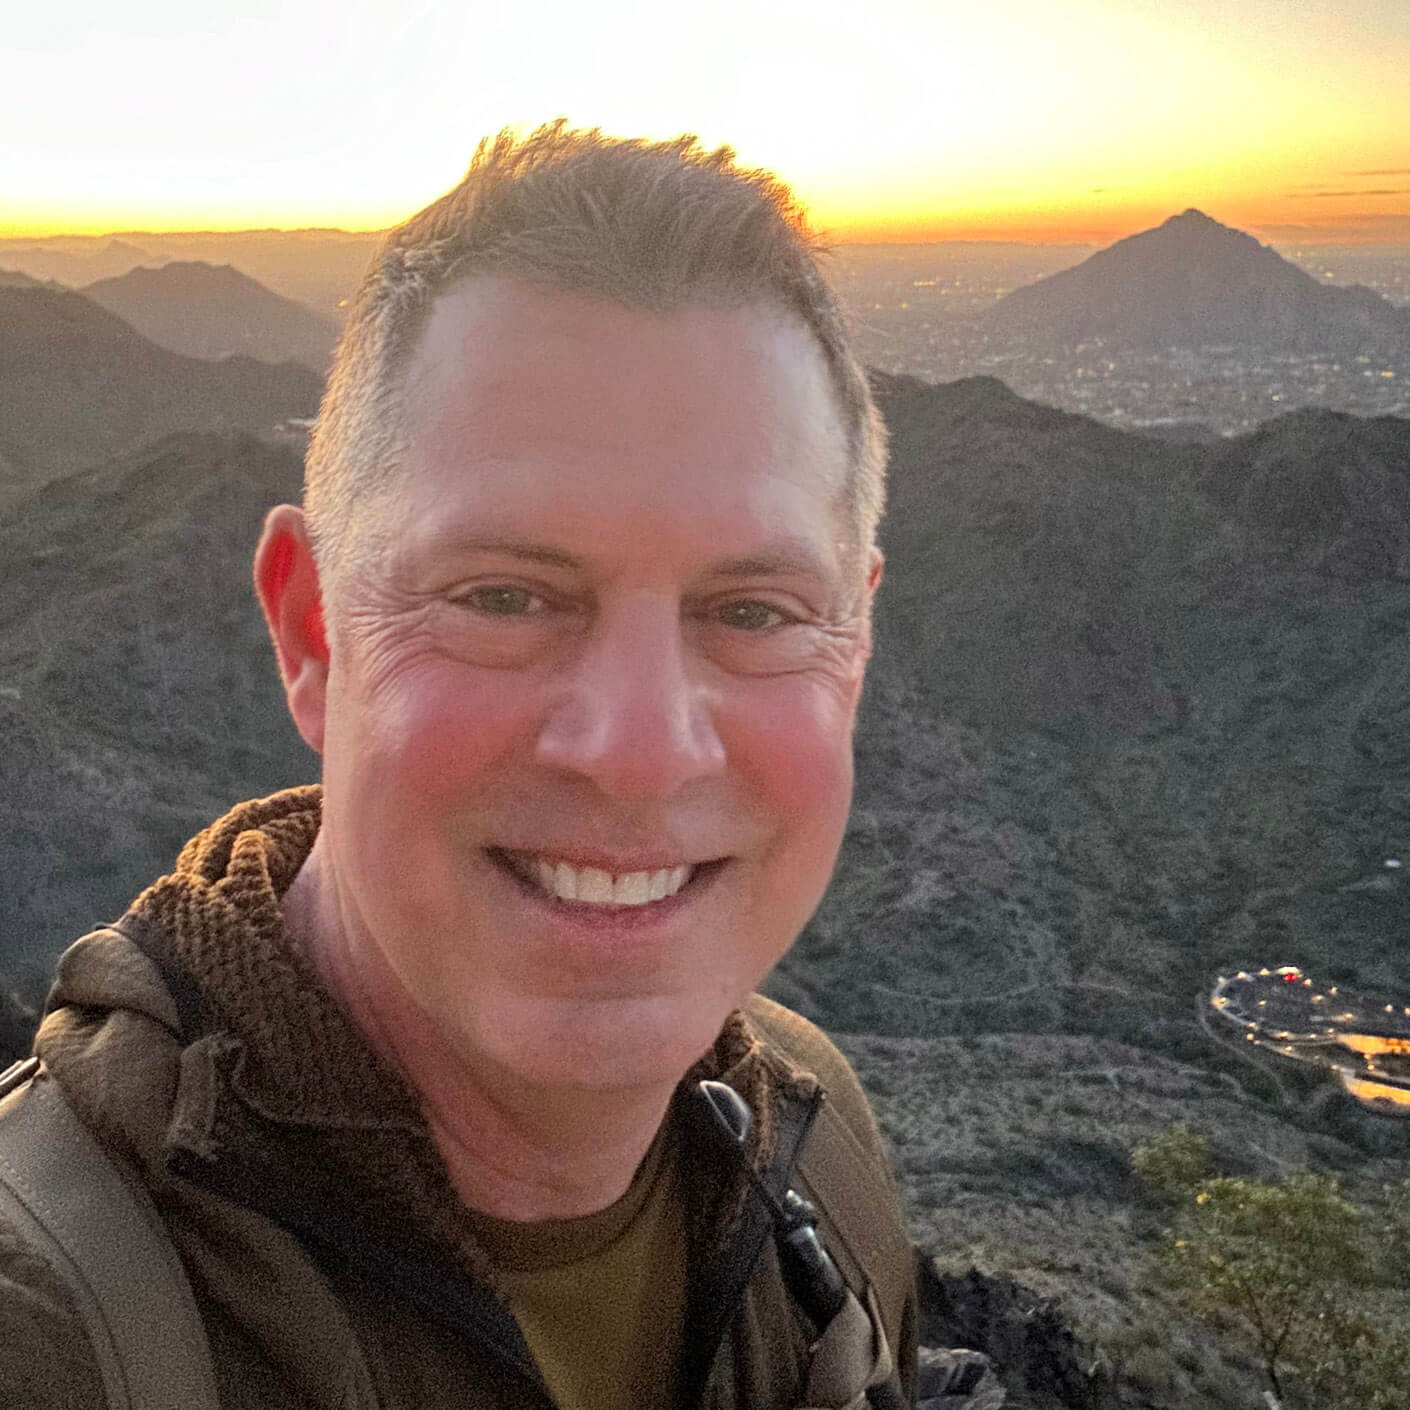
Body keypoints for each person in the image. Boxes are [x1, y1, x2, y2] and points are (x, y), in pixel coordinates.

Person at [0, 122, 916, 1409]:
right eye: (504, 596)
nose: (639, 752)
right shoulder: (52, 1336)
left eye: (754, 612)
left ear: (856, 643)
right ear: (314, 633)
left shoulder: (822, 1174)